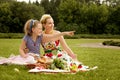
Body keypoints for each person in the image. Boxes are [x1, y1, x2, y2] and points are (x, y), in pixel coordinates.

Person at [0, 19, 75, 65]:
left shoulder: (40, 37)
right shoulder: (26, 38)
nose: (41, 30)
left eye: (41, 29)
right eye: (39, 29)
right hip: (29, 56)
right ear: (33, 30)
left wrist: (64, 33)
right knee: (30, 59)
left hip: (37, 57)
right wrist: (24, 56)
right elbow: (21, 49)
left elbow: (52, 36)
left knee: (42, 60)